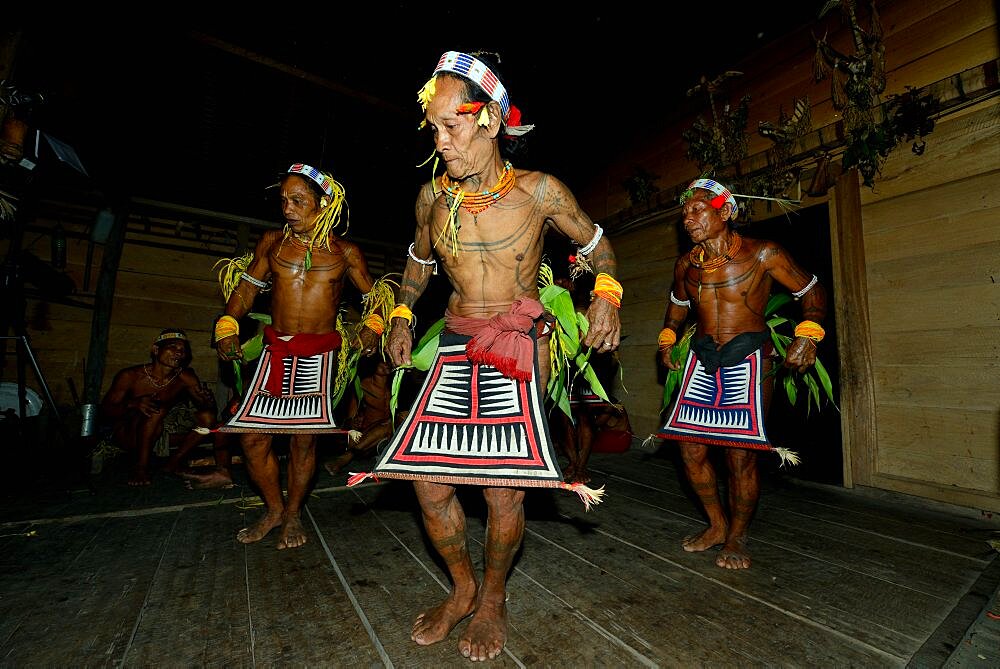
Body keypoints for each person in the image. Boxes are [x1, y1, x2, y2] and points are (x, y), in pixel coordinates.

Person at [384, 51, 621, 661]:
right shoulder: (431, 200)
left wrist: (606, 300)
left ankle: (493, 598)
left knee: (499, 490)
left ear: (489, 119)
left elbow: (600, 247)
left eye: (451, 125)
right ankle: (462, 588)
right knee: (430, 485)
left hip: (518, 345)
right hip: (457, 338)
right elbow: (418, 262)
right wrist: (405, 314)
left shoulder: (541, 192)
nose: (439, 141)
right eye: (432, 128)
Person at [213, 163, 388, 550]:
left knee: (302, 442)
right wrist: (227, 323)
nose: (288, 208)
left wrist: (372, 327)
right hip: (276, 351)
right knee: (253, 438)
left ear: (323, 203)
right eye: (283, 201)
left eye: (298, 200)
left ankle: (293, 514)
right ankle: (273, 508)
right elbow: (246, 289)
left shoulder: (345, 252)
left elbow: (376, 299)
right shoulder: (273, 243)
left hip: (319, 355)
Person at [657, 178, 827, 570]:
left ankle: (737, 536)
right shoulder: (686, 265)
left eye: (697, 209)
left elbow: (812, 293)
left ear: (725, 210)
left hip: (748, 356)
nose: (688, 218)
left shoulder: (763, 253)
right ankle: (716, 525)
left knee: (740, 456)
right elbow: (678, 309)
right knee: (690, 448)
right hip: (701, 357)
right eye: (685, 213)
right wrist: (668, 338)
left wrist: (809, 334)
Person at [100, 329, 216, 486]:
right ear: (156, 350)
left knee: (207, 418)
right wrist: (133, 404)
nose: (178, 353)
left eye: (183, 350)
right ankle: (140, 467)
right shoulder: (130, 376)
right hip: (130, 433)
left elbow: (206, 407)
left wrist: (207, 399)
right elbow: (106, 410)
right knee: (156, 410)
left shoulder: (185, 377)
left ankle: (174, 462)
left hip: (163, 433)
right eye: (173, 347)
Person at [323, 357, 400, 476]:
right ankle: (346, 457)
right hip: (364, 440)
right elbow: (350, 420)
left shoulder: (397, 384)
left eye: (389, 360)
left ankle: (354, 456)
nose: (387, 363)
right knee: (386, 425)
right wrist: (353, 422)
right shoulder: (363, 385)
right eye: (382, 360)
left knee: (393, 422)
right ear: (373, 364)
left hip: (388, 437)